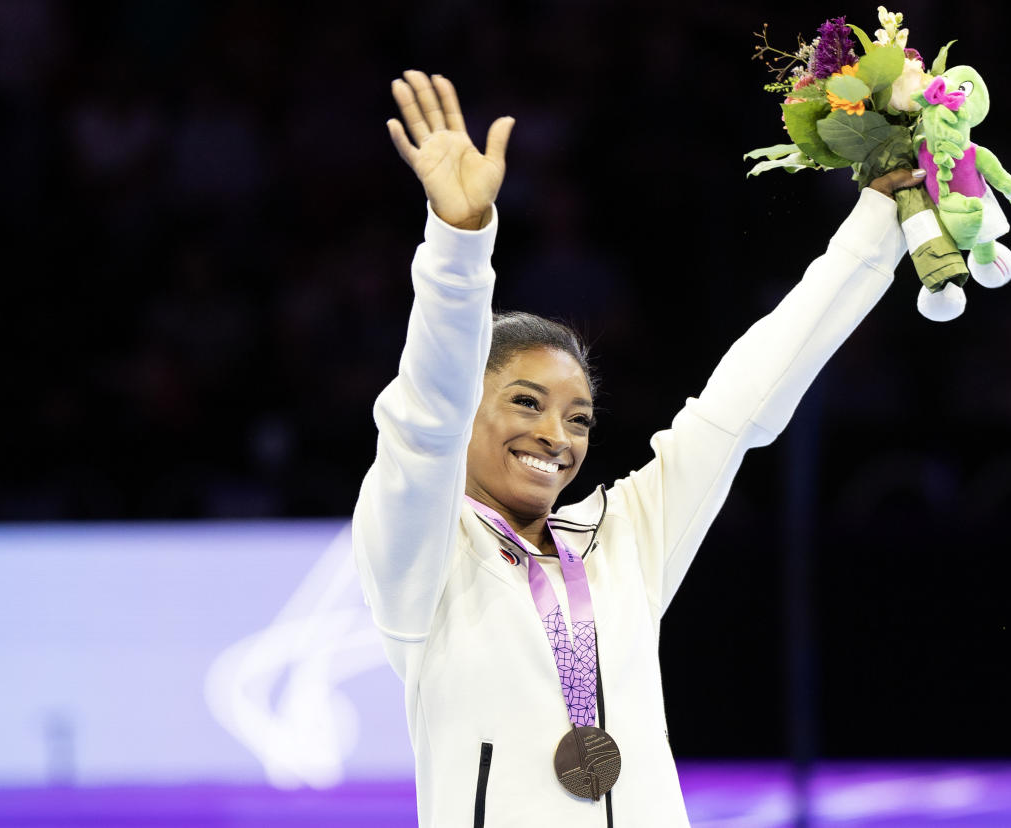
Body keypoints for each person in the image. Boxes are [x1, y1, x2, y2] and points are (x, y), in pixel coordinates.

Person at [352, 69, 924, 827]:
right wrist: (459, 249)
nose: (555, 436)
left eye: (579, 418)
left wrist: (878, 219)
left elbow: (737, 408)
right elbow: (422, 427)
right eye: (526, 403)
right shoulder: (421, 561)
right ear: (468, 412)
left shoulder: (622, 540)